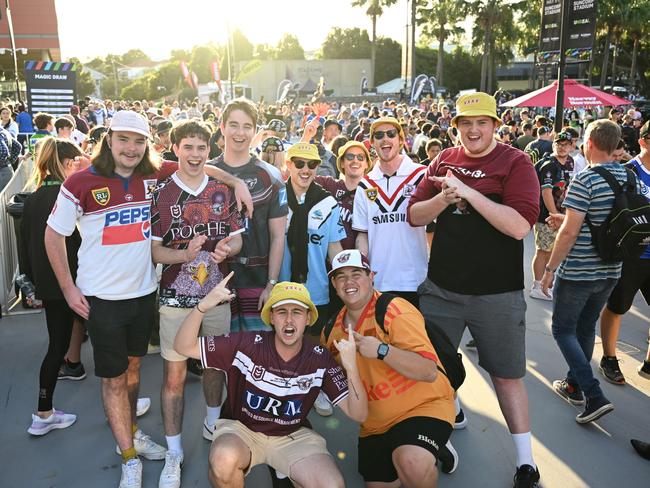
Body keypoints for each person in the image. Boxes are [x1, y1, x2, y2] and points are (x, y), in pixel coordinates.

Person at [45, 110, 252, 488]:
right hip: (102, 297)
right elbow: (53, 235)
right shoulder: (80, 181)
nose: (131, 148)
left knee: (134, 369)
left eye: (138, 141)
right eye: (124, 139)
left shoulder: (152, 173)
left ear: (147, 145)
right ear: (109, 139)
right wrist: (68, 289)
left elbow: (200, 166)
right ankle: (128, 457)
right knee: (112, 380)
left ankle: (133, 433)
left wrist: (236, 181)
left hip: (143, 294)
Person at [408, 92, 541, 487]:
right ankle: (440, 434)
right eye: (466, 123)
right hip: (442, 289)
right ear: (456, 127)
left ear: (495, 126)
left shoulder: (516, 163)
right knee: (432, 371)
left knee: (506, 376)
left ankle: (525, 462)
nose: (473, 130)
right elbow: (415, 215)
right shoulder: (443, 160)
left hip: (497, 295)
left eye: (481, 122)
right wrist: (444, 200)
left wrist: (468, 193)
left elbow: (519, 226)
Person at [173, 278, 367, 488]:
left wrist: (352, 368)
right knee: (223, 460)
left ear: (308, 318)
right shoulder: (247, 344)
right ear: (272, 317)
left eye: (297, 312)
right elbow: (183, 346)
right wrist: (202, 306)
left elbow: (359, 414)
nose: (289, 320)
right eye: (282, 312)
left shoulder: (319, 358)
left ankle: (282, 469)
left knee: (331, 485)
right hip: (242, 430)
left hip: (291, 436)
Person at [150, 120, 244, 488]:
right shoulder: (161, 192)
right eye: (188, 147)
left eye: (201, 148)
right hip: (174, 298)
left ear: (209, 150)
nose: (195, 154)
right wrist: (181, 254)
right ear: (175, 149)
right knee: (173, 377)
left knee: (214, 368)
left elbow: (236, 240)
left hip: (216, 295)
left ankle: (212, 422)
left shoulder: (222, 189)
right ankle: (174, 453)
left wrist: (226, 248)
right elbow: (154, 251)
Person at [323, 249, 457, 487]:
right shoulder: (330, 332)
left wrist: (383, 351)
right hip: (375, 425)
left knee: (411, 463)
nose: (349, 282)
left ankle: (427, 446)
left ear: (371, 276)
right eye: (341, 276)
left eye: (357, 273)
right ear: (333, 283)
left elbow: (428, 371)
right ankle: (432, 448)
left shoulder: (393, 309)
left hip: (422, 407)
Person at [541, 120, 633, 425]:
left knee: (562, 329)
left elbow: (570, 232)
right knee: (584, 327)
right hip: (612, 268)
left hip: (579, 270)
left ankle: (593, 394)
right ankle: (573, 385)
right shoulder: (628, 176)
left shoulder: (586, 179)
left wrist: (550, 269)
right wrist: (563, 219)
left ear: (589, 143)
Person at [23, 138, 86, 436]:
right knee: (112, 340)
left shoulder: (33, 197)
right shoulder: (66, 195)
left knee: (56, 347)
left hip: (49, 286)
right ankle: (129, 402)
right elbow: (76, 243)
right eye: (73, 162)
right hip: (75, 282)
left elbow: (25, 247)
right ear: (64, 163)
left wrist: (33, 284)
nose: (77, 167)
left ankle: (43, 411)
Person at [209, 98, 288, 333]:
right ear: (222, 128)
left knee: (258, 359)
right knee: (218, 361)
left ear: (255, 132)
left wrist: (272, 284)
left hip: (257, 280)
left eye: (247, 126)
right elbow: (179, 167)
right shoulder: (205, 172)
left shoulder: (271, 176)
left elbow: (277, 237)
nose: (240, 132)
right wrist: (232, 181)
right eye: (233, 125)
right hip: (215, 280)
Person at [353, 117, 428, 307]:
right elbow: (362, 234)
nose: (385, 139)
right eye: (379, 135)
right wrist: (363, 273)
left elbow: (432, 229)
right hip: (379, 282)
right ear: (372, 144)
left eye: (391, 134)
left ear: (401, 140)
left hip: (417, 281)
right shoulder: (365, 184)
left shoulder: (421, 175)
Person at [597, 121, 650, 385]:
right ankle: (609, 357)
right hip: (632, 255)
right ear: (644, 141)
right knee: (617, 307)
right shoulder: (628, 171)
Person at [279, 142, 345, 334]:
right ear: (288, 165)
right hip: (281, 291)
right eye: (299, 164)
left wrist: (344, 278)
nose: (306, 170)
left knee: (313, 352)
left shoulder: (329, 203)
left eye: (312, 165)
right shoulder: (276, 198)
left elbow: (334, 248)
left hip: (316, 293)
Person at [530, 131, 575, 301]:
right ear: (553, 144)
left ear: (572, 146)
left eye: (566, 144)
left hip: (558, 215)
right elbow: (546, 192)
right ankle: (537, 286)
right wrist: (554, 215)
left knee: (552, 250)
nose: (562, 147)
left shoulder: (567, 163)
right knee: (543, 250)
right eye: (559, 143)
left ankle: (545, 284)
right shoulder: (549, 164)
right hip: (546, 216)